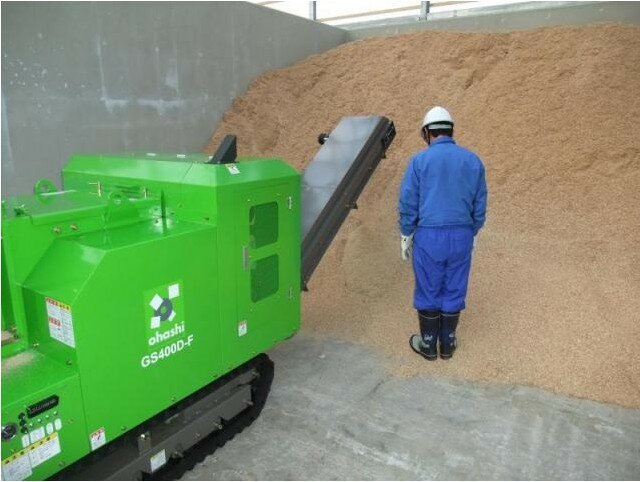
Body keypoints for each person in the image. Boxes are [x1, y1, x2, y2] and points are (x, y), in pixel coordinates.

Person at [398, 106, 487, 360]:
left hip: (429, 236)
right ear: (451, 131)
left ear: (427, 132)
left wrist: (406, 233)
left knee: (429, 286)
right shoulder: (473, 160)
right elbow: (480, 203)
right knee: (455, 286)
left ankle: (428, 345)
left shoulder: (419, 161)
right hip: (462, 235)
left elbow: (408, 201)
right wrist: (473, 231)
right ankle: (447, 344)